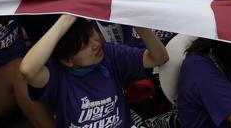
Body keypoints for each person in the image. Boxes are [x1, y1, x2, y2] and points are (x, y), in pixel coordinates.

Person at [20, 14, 169, 128]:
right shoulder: (56, 74)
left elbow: (159, 58)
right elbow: (27, 70)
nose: (96, 44)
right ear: (67, 60)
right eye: (84, 45)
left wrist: (141, 27)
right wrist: (66, 18)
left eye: (91, 33)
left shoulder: (110, 54)